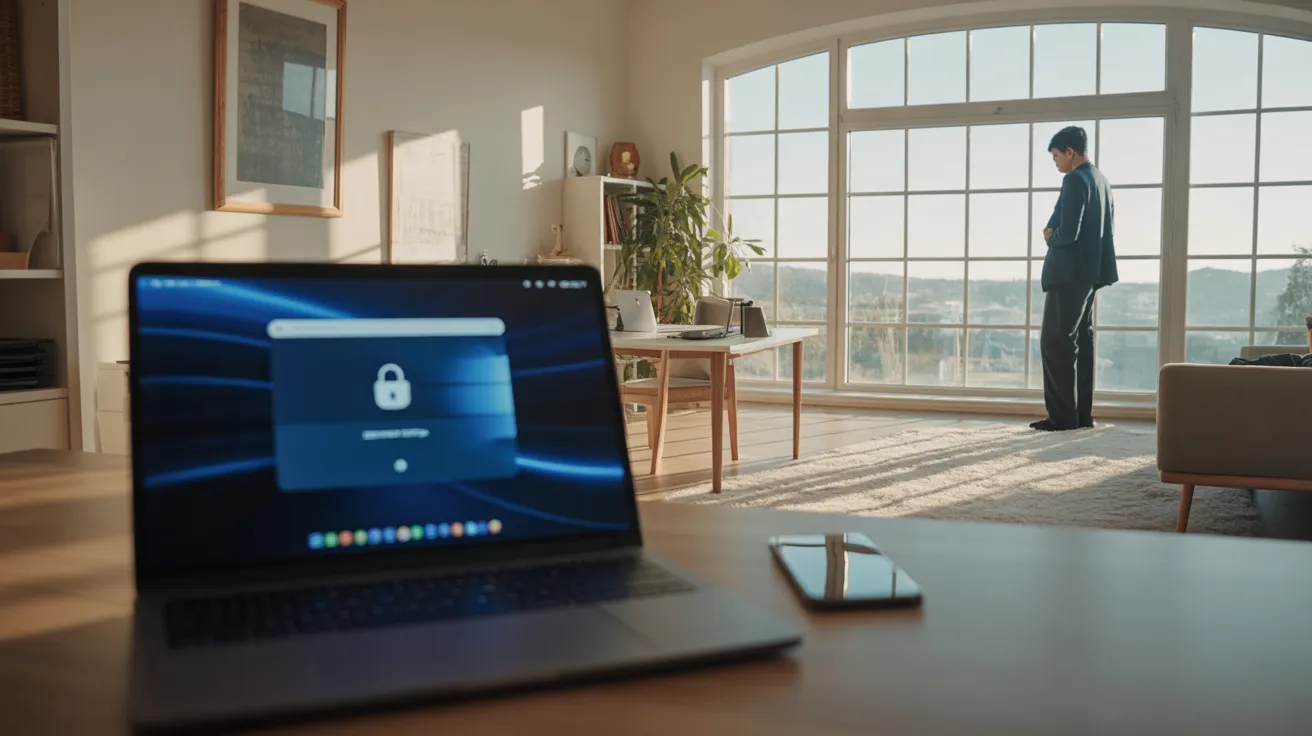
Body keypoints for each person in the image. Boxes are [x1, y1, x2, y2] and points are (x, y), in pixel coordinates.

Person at [1032, 126, 1118, 432]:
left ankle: (1062, 418)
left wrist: (1051, 237)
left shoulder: (1074, 180)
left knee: (1055, 342)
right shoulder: (1102, 181)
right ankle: (1082, 415)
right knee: (1081, 340)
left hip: (1069, 275)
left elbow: (1066, 232)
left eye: (1056, 155)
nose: (1055, 162)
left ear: (1071, 152)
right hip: (1091, 275)